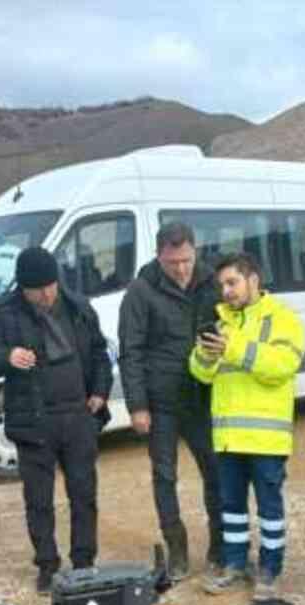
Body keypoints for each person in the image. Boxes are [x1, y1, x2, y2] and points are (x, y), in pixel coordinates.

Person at [0, 246, 113, 592]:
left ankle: (84, 563)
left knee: (84, 495)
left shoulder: (78, 306)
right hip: (33, 420)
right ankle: (47, 565)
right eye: (38, 290)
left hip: (78, 416)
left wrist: (100, 391)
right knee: (38, 500)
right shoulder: (4, 312)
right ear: (23, 288)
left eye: (51, 286)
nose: (47, 295)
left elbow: (100, 353)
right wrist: (8, 356)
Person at [190, 253, 305, 600]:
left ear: (253, 280)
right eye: (222, 285)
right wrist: (206, 355)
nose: (226, 291)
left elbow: (282, 365)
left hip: (266, 438)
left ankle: (270, 570)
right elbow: (200, 373)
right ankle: (235, 565)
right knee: (232, 508)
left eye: (232, 282)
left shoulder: (283, 319)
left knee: (269, 509)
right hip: (228, 437)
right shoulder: (221, 323)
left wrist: (234, 348)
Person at [118, 221, 223, 581]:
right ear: (158, 256)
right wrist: (137, 406)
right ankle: (176, 549)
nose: (180, 269)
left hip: (203, 397)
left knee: (216, 472)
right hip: (160, 401)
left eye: (186, 260)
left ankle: (219, 547)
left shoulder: (213, 283)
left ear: (196, 251)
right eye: (172, 262)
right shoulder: (140, 291)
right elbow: (130, 351)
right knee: (164, 476)